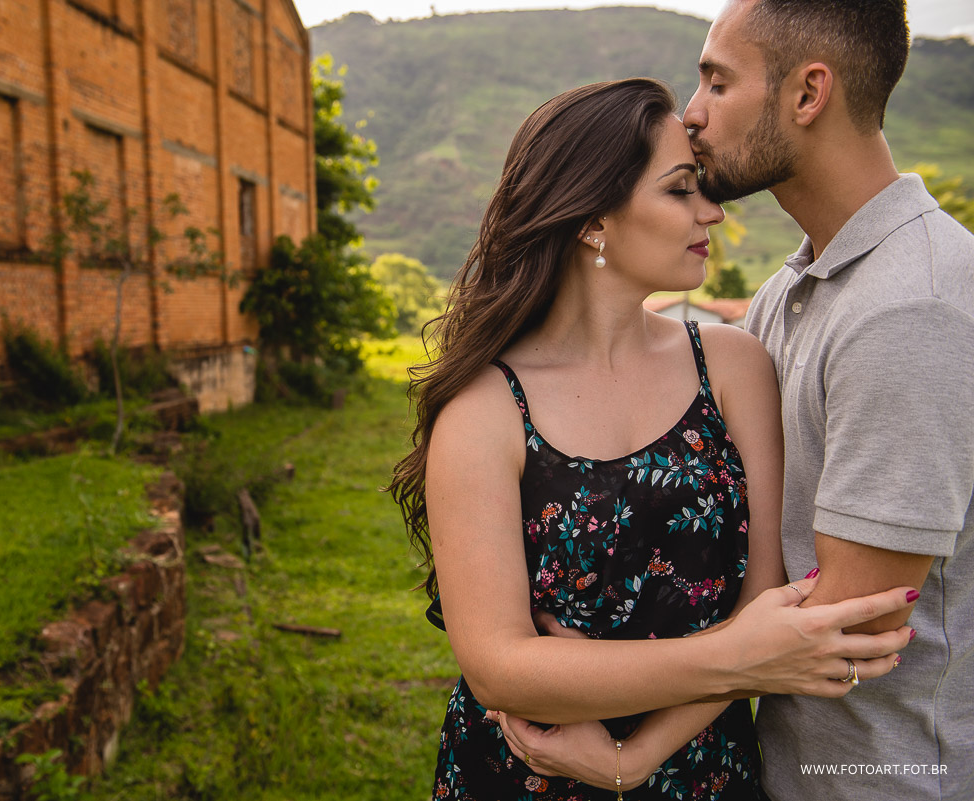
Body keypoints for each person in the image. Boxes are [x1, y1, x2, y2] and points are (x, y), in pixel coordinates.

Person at [389, 78, 915, 800]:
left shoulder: (731, 366)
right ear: (591, 219)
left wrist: (633, 757)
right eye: (679, 190)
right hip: (533, 768)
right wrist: (740, 657)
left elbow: (762, 600)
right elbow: (499, 669)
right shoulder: (485, 408)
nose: (713, 211)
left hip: (705, 767)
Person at [678, 1, 974, 798]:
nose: (691, 113)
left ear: (808, 94)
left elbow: (847, 626)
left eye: (717, 82)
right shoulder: (790, 291)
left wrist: (618, 732)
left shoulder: (913, 307)